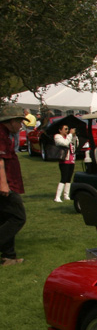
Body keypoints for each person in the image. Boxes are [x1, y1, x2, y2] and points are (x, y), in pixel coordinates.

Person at [0, 105, 27, 267]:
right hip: (6, 184)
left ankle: (9, 256)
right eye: (19, 121)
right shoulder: (1, 135)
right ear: (11, 121)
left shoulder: (5, 134)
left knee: (5, 218)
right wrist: (3, 184)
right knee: (18, 217)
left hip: (8, 183)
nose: (21, 125)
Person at [53, 122, 78, 202]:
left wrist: (74, 136)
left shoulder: (69, 136)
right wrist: (70, 135)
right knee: (63, 178)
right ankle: (57, 197)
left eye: (68, 129)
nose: (67, 131)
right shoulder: (57, 137)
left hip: (71, 159)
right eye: (65, 129)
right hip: (64, 160)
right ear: (60, 130)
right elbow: (65, 143)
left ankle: (66, 195)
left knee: (69, 178)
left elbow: (75, 145)